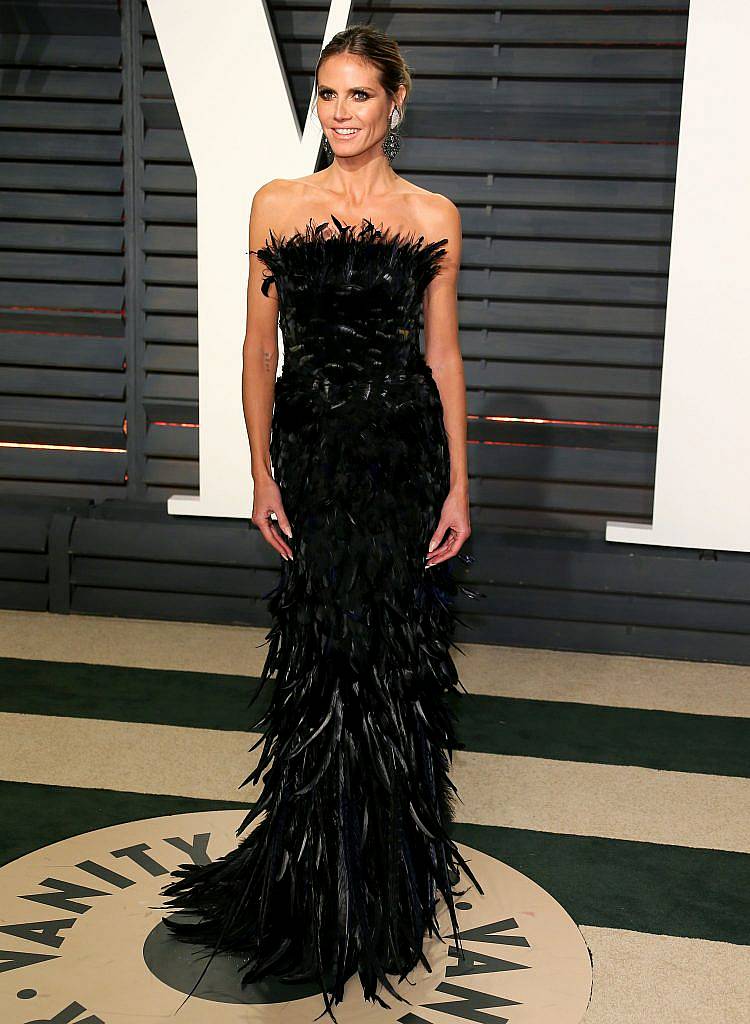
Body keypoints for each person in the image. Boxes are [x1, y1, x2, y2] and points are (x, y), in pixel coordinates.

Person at [159, 23, 484, 1023]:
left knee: (386, 662)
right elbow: (258, 349)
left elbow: (441, 356)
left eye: (358, 96)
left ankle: (378, 887)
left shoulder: (433, 214)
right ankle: (309, 881)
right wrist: (258, 467)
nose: (339, 112)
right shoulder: (277, 204)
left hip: (399, 460)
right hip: (311, 455)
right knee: (319, 659)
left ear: (396, 103)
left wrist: (459, 486)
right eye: (327, 94)